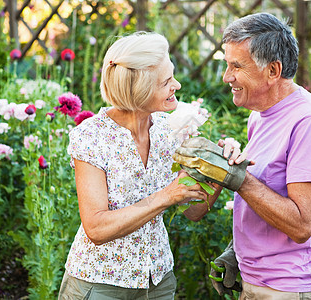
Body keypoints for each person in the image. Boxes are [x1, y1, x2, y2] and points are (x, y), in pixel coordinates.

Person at [58, 32, 243, 300]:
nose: (177, 85)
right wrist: (167, 196)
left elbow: (194, 212)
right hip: (100, 283)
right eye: (166, 82)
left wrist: (217, 169)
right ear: (139, 90)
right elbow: (96, 228)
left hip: (158, 282)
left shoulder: (167, 130)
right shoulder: (92, 137)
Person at [208, 13, 311, 299]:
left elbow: (302, 224)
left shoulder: (310, 121)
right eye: (226, 64)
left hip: (294, 286)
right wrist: (238, 253)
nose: (226, 77)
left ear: (273, 70)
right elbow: (267, 194)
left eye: (236, 66)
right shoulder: (260, 116)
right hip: (261, 281)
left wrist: (238, 179)